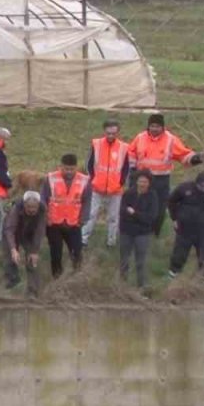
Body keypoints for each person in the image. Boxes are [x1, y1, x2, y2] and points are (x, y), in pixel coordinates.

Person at [128, 113, 204, 237]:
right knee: (139, 207)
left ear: (163, 127)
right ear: (148, 126)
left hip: (161, 180)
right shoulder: (140, 137)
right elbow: (131, 153)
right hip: (141, 179)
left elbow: (183, 155)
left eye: (157, 126)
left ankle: (154, 234)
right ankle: (138, 233)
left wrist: (196, 159)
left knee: (159, 210)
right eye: (152, 126)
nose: (154, 129)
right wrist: (132, 173)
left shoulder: (171, 140)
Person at [41, 154, 92, 279]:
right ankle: (57, 278)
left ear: (76, 167)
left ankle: (76, 277)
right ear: (61, 166)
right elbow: (43, 199)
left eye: (72, 169)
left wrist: (82, 219)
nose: (69, 172)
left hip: (74, 223)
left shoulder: (85, 180)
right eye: (66, 169)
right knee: (56, 253)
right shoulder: (50, 178)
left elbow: (87, 201)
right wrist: (46, 218)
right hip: (54, 223)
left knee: (76, 252)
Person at [82, 119, 129, 248]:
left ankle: (111, 242)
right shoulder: (96, 144)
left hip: (116, 189)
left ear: (118, 132)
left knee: (113, 217)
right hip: (97, 188)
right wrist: (93, 179)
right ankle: (83, 239)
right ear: (104, 131)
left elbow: (126, 168)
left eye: (114, 133)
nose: (111, 136)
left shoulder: (124, 147)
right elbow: (89, 164)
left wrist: (121, 182)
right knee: (91, 214)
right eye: (108, 133)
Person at [118, 170, 160, 288]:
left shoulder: (153, 196)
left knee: (141, 261)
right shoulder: (128, 193)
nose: (142, 184)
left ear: (149, 183)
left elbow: (151, 217)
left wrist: (134, 213)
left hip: (143, 233)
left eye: (145, 182)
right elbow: (122, 211)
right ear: (136, 181)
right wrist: (136, 215)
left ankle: (141, 286)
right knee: (124, 260)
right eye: (140, 181)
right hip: (126, 232)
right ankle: (122, 286)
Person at [4, 191, 47, 296]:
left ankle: (33, 290)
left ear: (38, 206)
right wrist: (13, 249)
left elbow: (40, 231)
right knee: (10, 258)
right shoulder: (16, 209)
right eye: (29, 208)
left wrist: (34, 251)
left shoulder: (43, 209)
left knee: (32, 259)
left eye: (34, 208)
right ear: (24, 205)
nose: (32, 210)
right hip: (13, 231)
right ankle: (13, 285)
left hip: (29, 233)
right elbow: (10, 230)